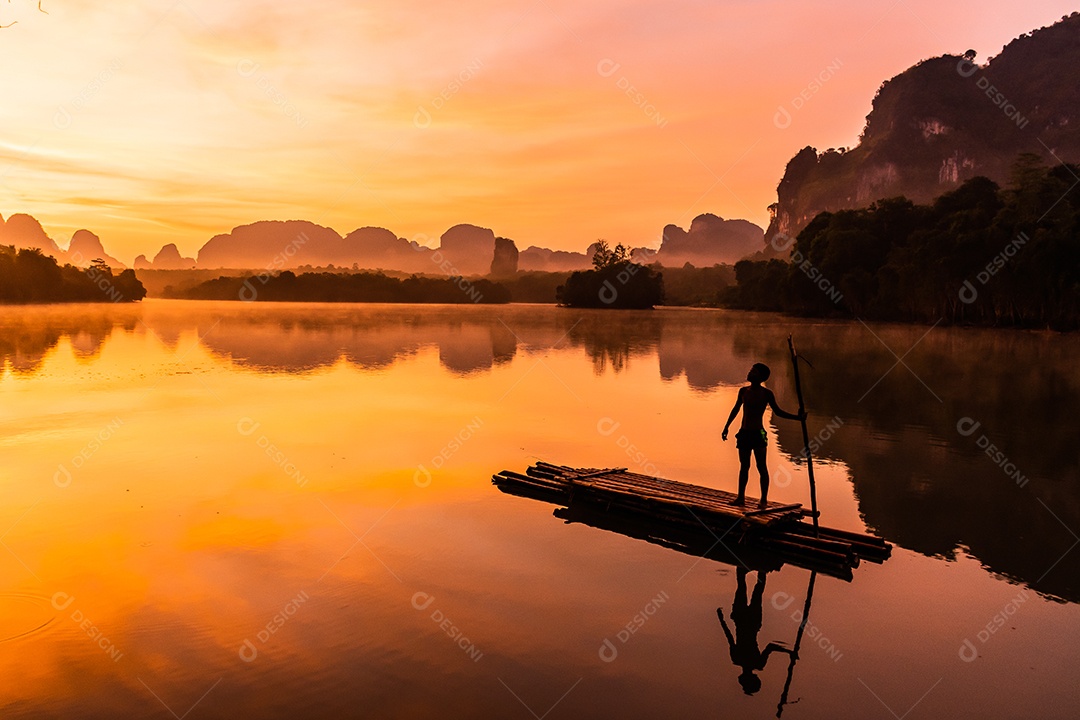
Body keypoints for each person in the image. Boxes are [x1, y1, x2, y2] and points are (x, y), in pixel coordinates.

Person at [721, 363, 804, 507]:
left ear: (761, 377)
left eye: (754, 372)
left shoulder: (766, 394)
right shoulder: (743, 391)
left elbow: (778, 412)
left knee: (761, 467)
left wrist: (797, 418)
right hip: (744, 433)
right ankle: (741, 498)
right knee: (744, 466)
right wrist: (726, 427)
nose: (750, 373)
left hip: (758, 434)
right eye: (750, 370)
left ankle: (763, 500)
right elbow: (736, 409)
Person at [717, 568, 789, 695]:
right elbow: (729, 637)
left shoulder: (756, 663)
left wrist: (789, 651)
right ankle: (759, 568)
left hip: (749, 622)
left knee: (754, 590)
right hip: (743, 620)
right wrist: (721, 620)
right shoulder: (739, 660)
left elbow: (770, 647)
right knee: (744, 586)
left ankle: (760, 568)